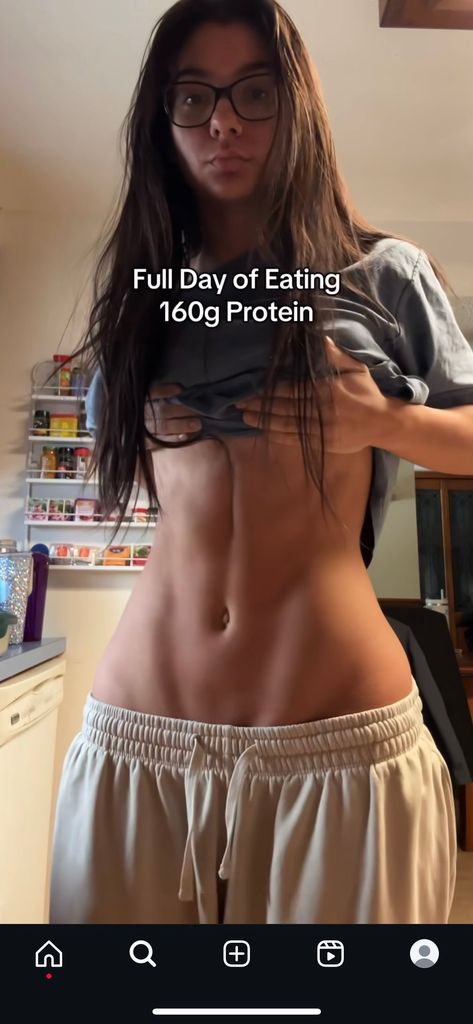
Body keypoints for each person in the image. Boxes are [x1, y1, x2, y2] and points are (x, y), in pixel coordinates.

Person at [48, 0, 472, 925]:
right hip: (139, 745)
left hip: (338, 746)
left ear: (295, 105)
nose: (223, 122)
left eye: (253, 92)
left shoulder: (382, 272)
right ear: (163, 119)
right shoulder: (144, 297)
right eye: (192, 96)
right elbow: (129, 466)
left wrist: (381, 419)